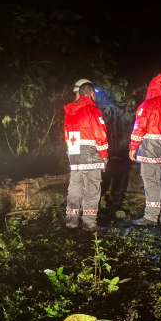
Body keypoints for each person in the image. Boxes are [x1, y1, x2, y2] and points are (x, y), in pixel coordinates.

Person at [129, 74, 161, 226]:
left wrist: (133, 147)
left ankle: (151, 217)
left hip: (150, 151)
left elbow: (139, 128)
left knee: (151, 182)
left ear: (151, 88)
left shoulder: (147, 105)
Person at [64, 80, 109, 231]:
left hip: (74, 153)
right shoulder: (93, 110)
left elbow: (66, 135)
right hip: (92, 155)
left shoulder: (70, 110)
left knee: (75, 186)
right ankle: (89, 223)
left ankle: (71, 220)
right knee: (92, 186)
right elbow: (100, 134)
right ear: (92, 95)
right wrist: (104, 154)